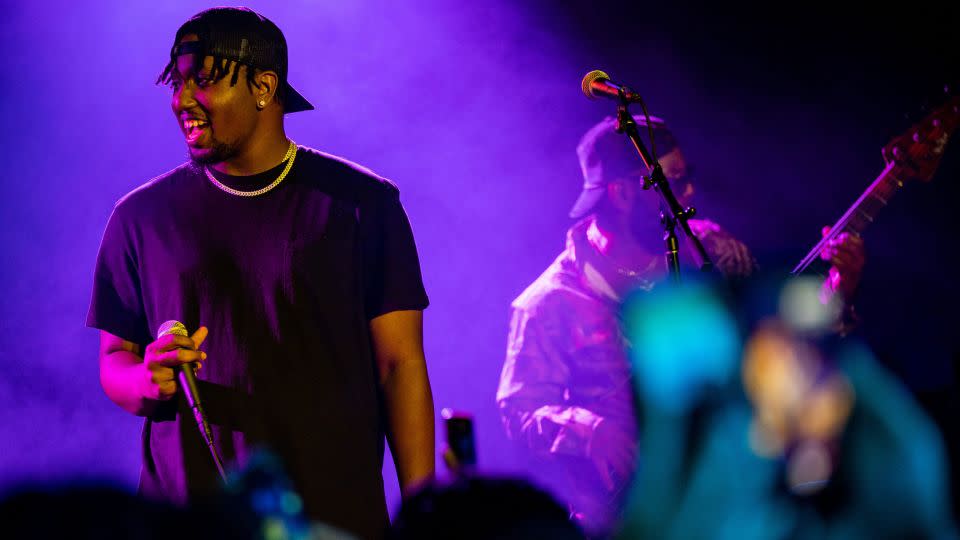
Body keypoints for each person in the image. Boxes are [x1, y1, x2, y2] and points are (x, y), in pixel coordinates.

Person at [86, 8, 434, 540]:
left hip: (332, 519)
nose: (182, 101)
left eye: (202, 81)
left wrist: (424, 515)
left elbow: (400, 365)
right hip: (186, 522)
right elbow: (116, 362)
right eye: (176, 83)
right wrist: (145, 381)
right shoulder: (140, 218)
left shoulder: (363, 204)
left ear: (264, 87)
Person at [496, 114, 865, 537]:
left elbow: (778, 356)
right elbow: (519, 408)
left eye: (688, 176)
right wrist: (591, 432)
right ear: (621, 194)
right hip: (622, 519)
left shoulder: (705, 254)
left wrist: (836, 295)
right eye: (674, 179)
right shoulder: (549, 303)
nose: (688, 192)